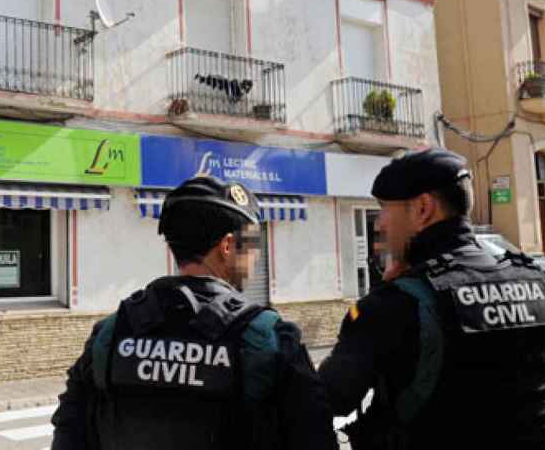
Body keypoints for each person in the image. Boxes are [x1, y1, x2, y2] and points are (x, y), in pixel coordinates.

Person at [51, 176, 336, 450]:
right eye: (251, 247)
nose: (255, 258)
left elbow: (69, 432)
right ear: (226, 247)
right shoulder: (268, 338)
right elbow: (315, 438)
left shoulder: (112, 333)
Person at [318, 148, 545, 450]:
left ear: (422, 208)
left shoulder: (393, 306)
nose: (380, 224)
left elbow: (328, 398)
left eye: (385, 208)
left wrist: (387, 296)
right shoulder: (538, 281)